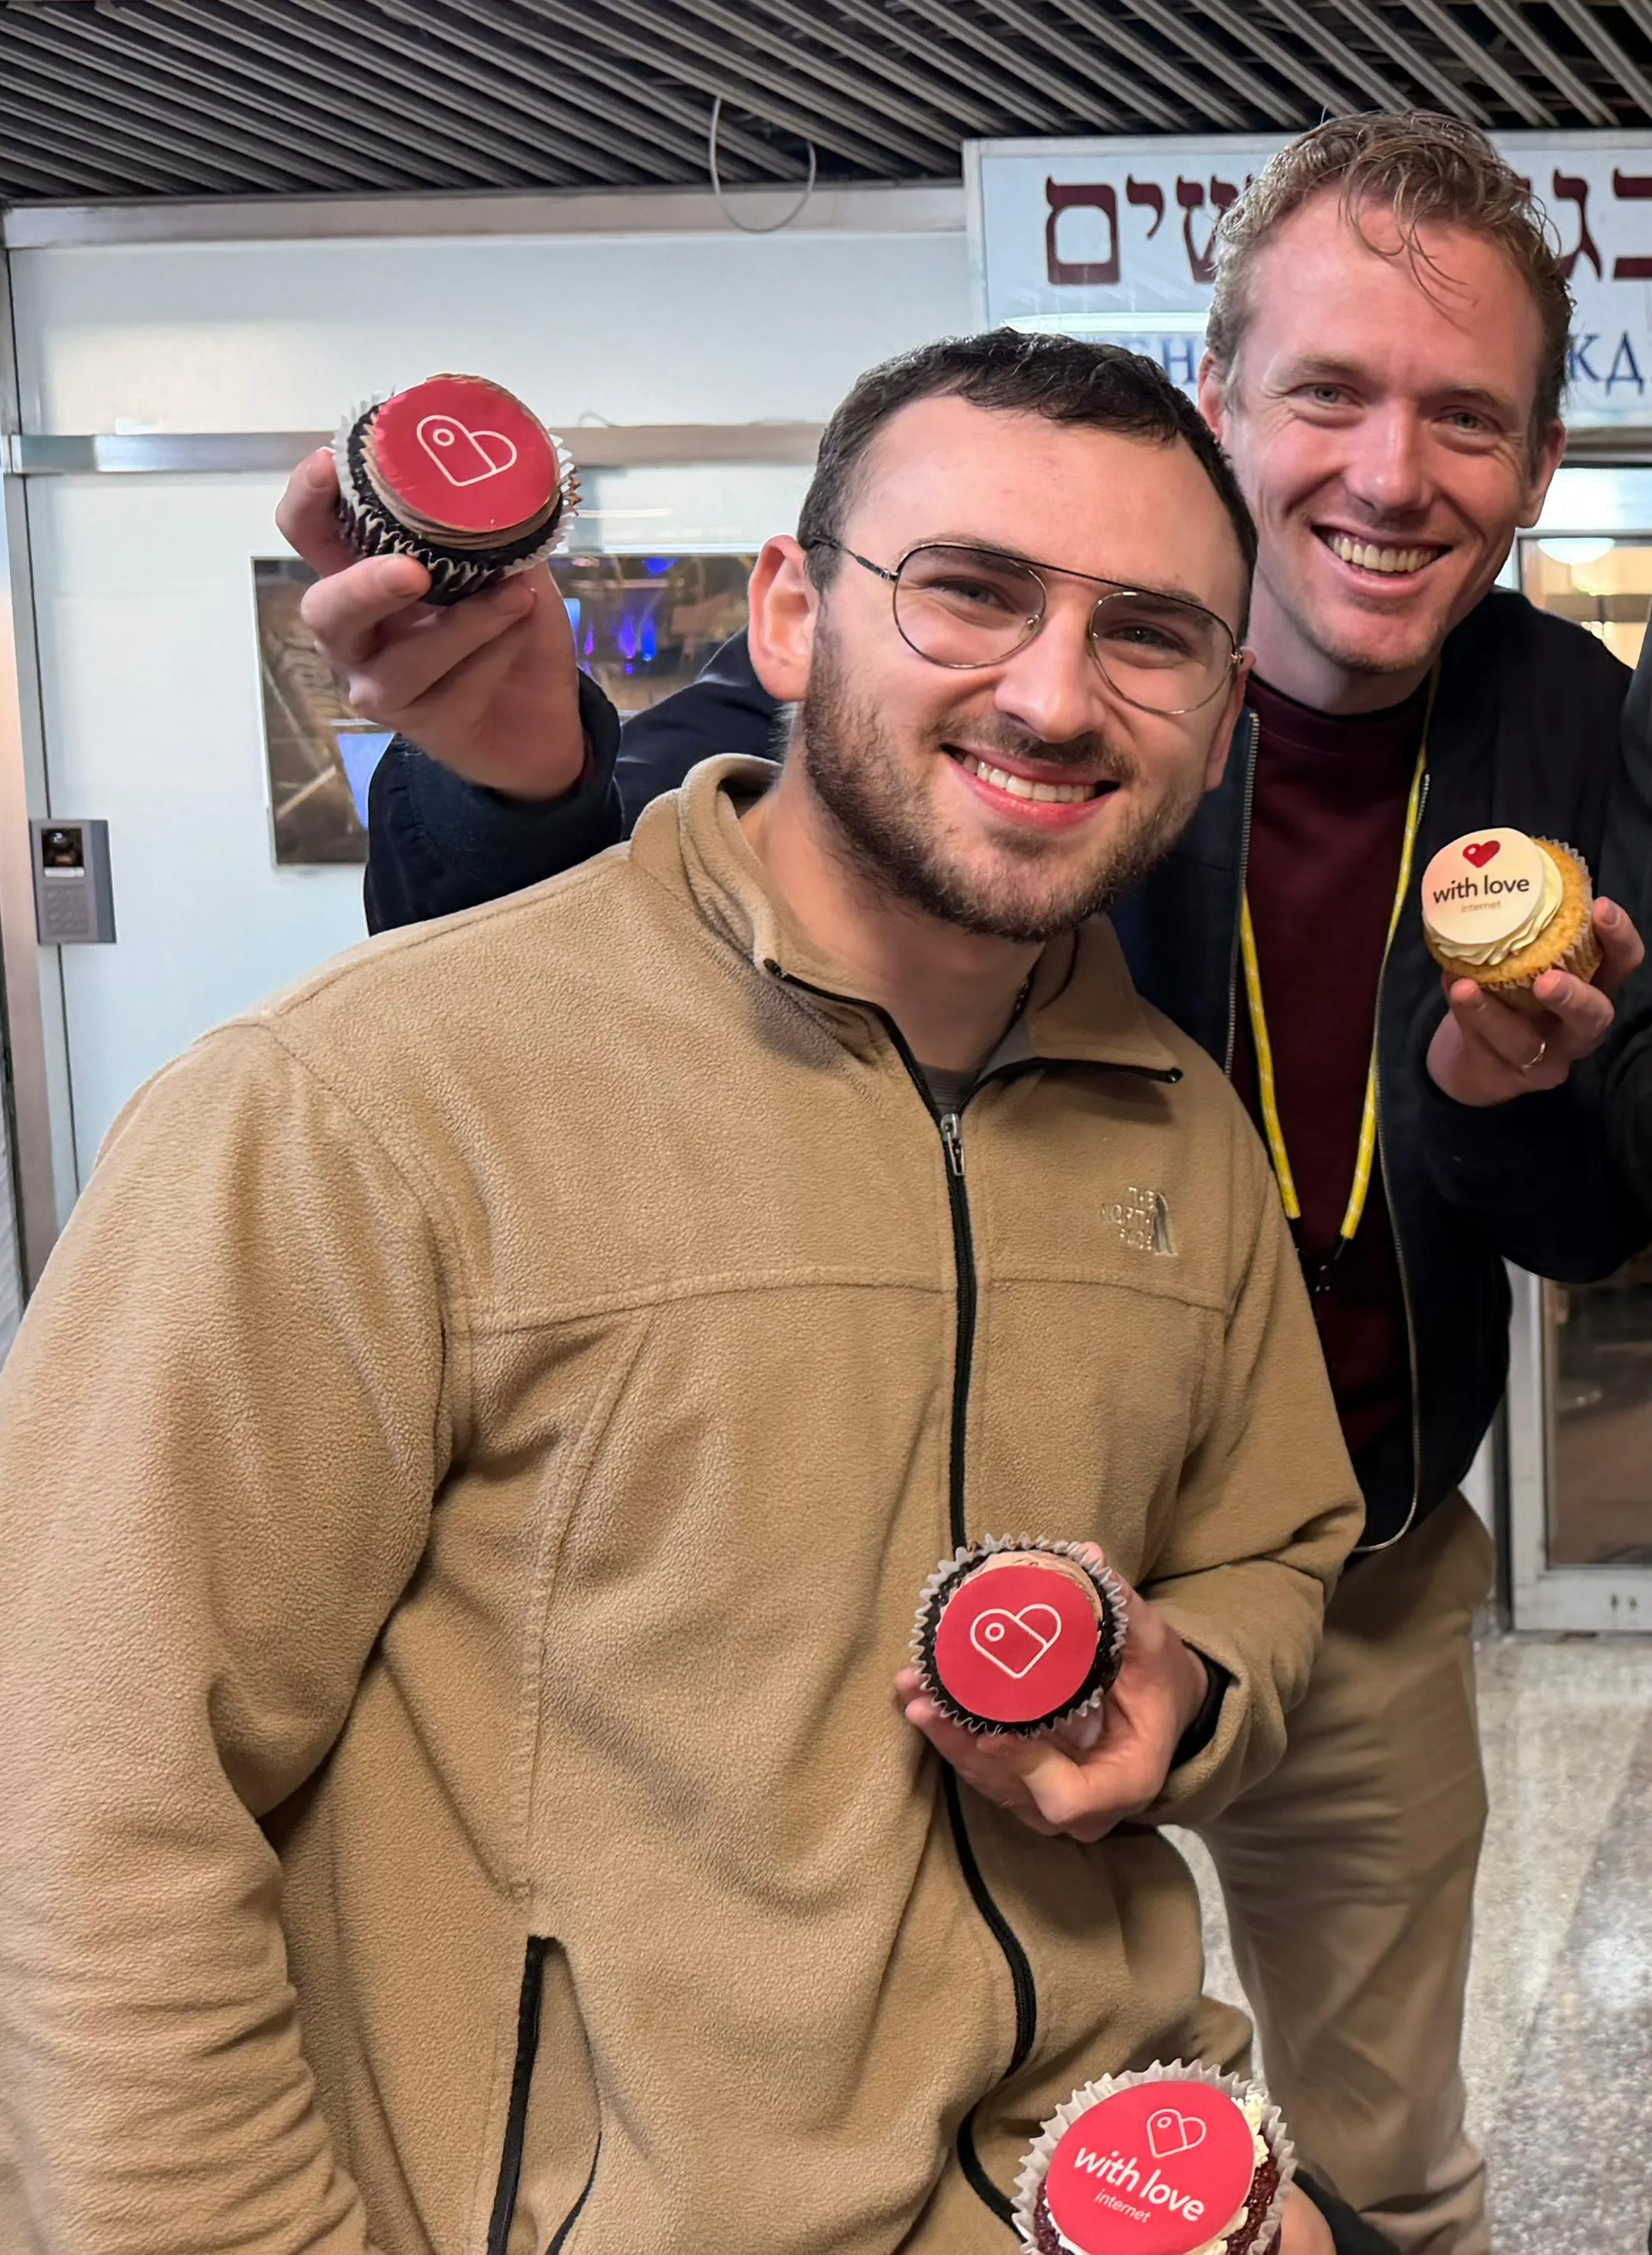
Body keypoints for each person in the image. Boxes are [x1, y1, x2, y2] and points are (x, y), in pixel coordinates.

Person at [278, 112, 1652, 2255]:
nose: (1389, 472)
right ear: (1216, 405)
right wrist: (510, 766)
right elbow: (663, 871)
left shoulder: (1571, 727)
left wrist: (1494, 1098)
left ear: (1536, 466)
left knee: (1380, 2160)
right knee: (884, 2110)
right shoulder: (1001, 623)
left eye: (1459, 415)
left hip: (1339, 1560)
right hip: (891, 1564)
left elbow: (1593, 1211)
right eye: (1323, 392)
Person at [0, 339, 1363, 2255]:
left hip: (1091, 2178)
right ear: (787, 616)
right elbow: (62, 1809)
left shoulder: (1183, 1133)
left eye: (1151, 636)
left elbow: (1273, 1548)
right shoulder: (364, 1103)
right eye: (968, 589)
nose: (1053, 691)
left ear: (1217, 716)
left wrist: (1183, 1683)